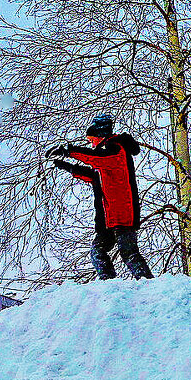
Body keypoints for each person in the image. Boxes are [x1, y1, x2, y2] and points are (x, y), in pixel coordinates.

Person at [49, 114, 154, 280]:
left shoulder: (116, 149)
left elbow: (97, 159)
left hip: (122, 213)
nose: (91, 144)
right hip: (107, 218)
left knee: (129, 253)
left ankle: (149, 286)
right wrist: (65, 166)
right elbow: (93, 176)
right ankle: (109, 285)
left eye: (92, 140)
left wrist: (69, 151)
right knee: (97, 251)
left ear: (100, 137)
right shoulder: (106, 157)